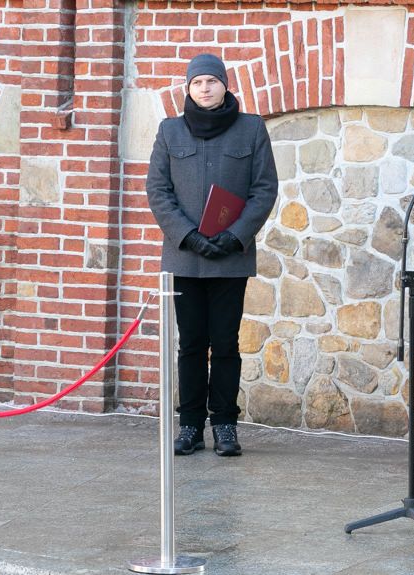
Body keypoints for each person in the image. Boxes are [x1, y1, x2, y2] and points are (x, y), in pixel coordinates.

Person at [146, 53, 278, 456]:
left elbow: (264, 189)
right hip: (185, 258)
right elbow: (158, 190)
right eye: (197, 82)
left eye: (211, 81)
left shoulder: (251, 129)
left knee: (224, 344)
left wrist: (233, 237)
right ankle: (189, 426)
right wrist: (188, 236)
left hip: (229, 257)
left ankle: (224, 425)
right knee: (190, 345)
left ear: (224, 84)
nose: (204, 88)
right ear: (189, 88)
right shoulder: (170, 131)